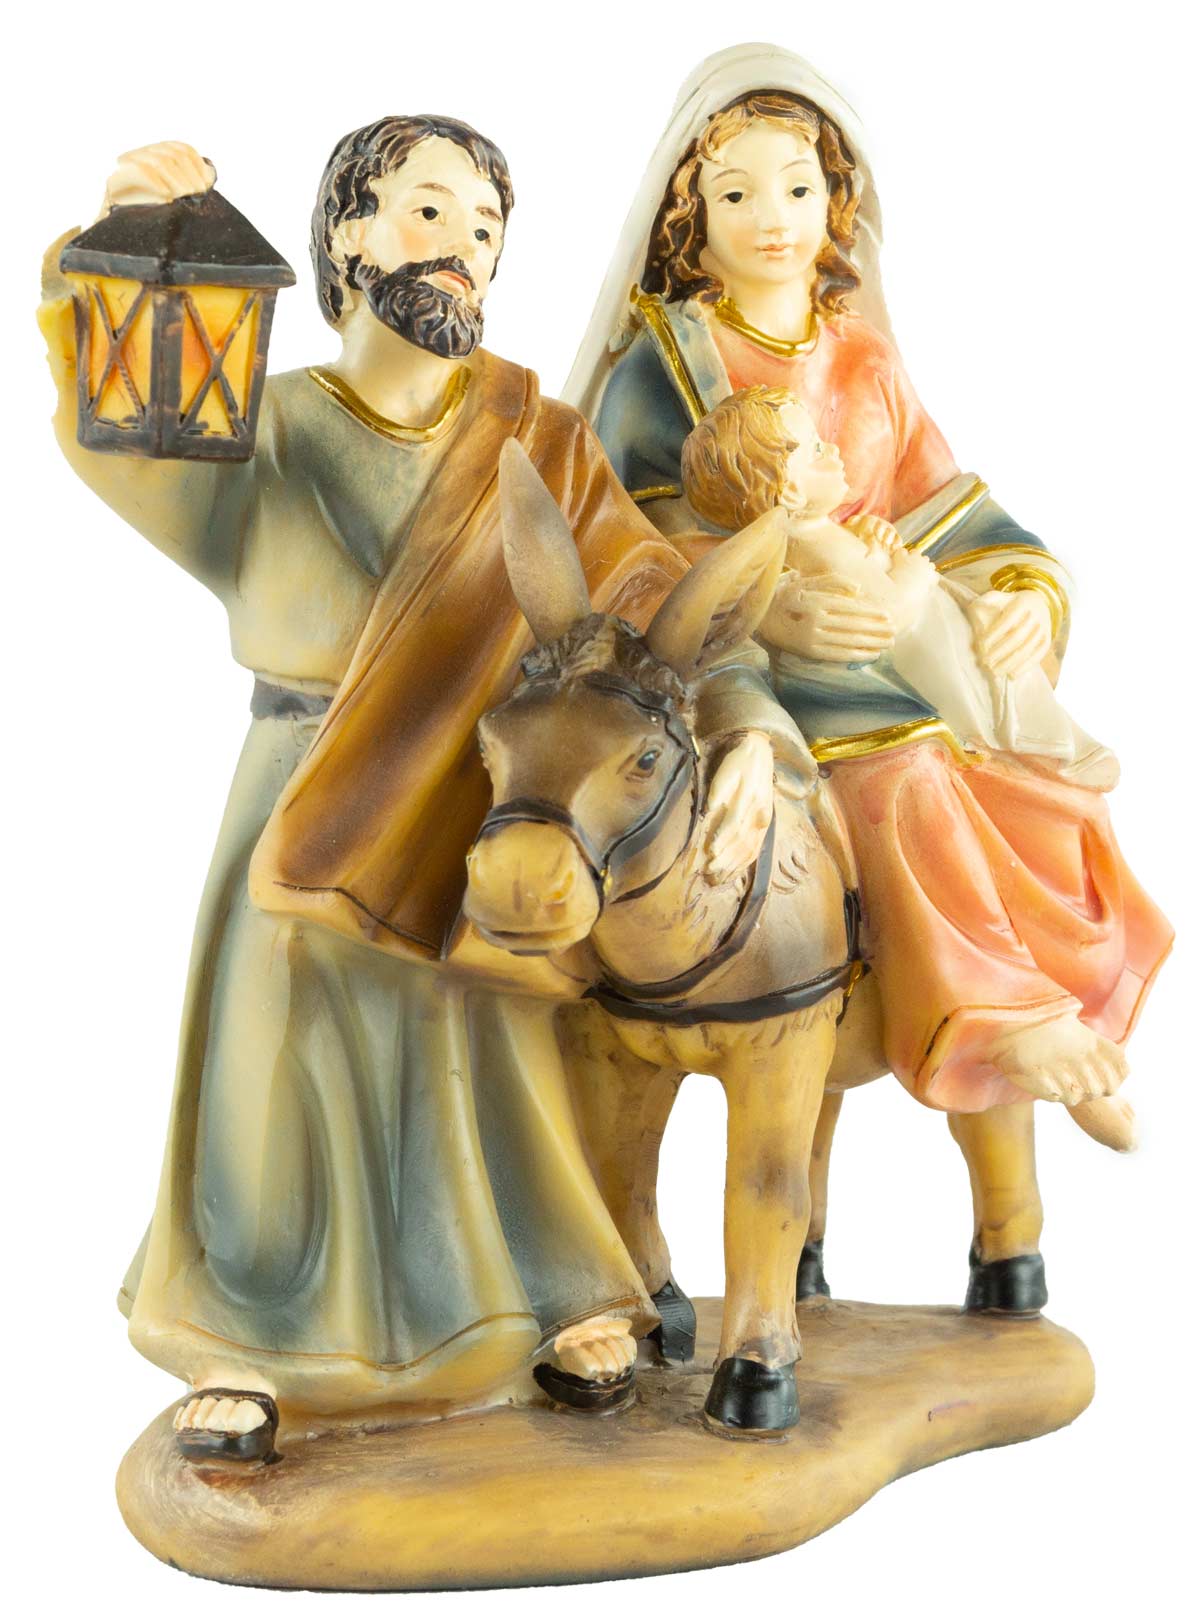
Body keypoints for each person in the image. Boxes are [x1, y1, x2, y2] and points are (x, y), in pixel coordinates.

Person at [40, 117, 802, 1458]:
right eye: (431, 212)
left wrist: (746, 724)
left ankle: (542, 1296)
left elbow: (654, 601)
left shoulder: (537, 442)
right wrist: (125, 245)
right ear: (348, 236)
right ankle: (249, 1335)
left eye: (487, 230)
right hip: (305, 780)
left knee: (485, 1059)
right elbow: (130, 429)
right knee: (274, 1067)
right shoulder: (266, 423)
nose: (463, 250)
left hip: (479, 791)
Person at [565, 44, 1172, 1308]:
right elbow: (618, 543)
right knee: (902, 773)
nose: (772, 219)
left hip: (883, 662)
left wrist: (1021, 598)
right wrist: (770, 598)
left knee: (1010, 783)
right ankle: (995, 1018)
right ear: (688, 211)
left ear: (836, 201)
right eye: (737, 192)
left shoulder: (863, 363)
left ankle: (1023, 1065)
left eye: (798, 188)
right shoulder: (662, 368)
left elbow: (953, 510)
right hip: (728, 674)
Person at [682, 386, 1116, 787]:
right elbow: (884, 614)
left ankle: (1057, 747)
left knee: (1001, 661)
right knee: (993, 686)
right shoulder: (815, 553)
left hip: (932, 624)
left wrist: (874, 535)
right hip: (925, 650)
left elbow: (877, 547)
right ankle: (1058, 749)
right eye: (816, 450)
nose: (833, 449)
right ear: (791, 493)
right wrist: (914, 573)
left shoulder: (820, 531)